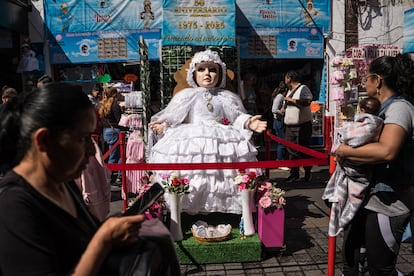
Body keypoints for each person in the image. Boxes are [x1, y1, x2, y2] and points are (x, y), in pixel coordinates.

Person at [0, 83, 179, 275]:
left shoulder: (63, 182)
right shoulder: (13, 206)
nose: (92, 150)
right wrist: (102, 241)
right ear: (43, 140)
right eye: (83, 138)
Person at [148, 49, 267, 214]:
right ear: (194, 73)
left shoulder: (226, 96)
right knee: (194, 172)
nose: (207, 73)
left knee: (221, 173)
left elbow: (236, 116)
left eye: (212, 70)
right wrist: (164, 125)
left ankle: (223, 207)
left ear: (220, 74)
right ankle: (184, 206)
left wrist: (249, 123)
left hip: (220, 136)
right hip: (193, 136)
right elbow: (175, 116)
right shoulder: (187, 95)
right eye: (202, 69)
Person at [335, 53, 414, 275]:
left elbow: (387, 151)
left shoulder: (399, 108)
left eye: (366, 78)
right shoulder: (379, 108)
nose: (363, 82)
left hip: (388, 203)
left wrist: (344, 150)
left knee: (380, 267)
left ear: (377, 80)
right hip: (368, 199)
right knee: (352, 258)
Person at [322, 97, 383, 237]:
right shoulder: (379, 124)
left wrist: (341, 139)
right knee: (353, 196)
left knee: (350, 196)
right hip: (363, 166)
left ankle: (344, 220)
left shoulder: (369, 124)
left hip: (355, 166)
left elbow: (350, 137)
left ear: (361, 110)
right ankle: (345, 219)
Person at [282, 70, 313, 182]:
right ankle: (294, 174)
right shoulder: (289, 90)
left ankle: (307, 173)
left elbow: (307, 101)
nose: (284, 80)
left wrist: (292, 100)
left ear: (289, 78)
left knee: (303, 149)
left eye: (286, 78)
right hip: (290, 126)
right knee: (291, 151)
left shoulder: (303, 88)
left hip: (302, 125)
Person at [98, 86, 123, 185]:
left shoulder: (103, 104)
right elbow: (119, 120)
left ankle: (113, 175)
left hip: (106, 131)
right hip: (114, 131)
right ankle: (112, 176)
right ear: (114, 94)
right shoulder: (114, 105)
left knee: (112, 154)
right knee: (118, 154)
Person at [271, 80, 288, 164]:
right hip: (278, 121)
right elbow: (274, 109)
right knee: (281, 142)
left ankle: (281, 159)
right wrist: (282, 112)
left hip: (279, 121)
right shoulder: (280, 96)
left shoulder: (280, 96)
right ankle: (280, 160)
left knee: (282, 141)